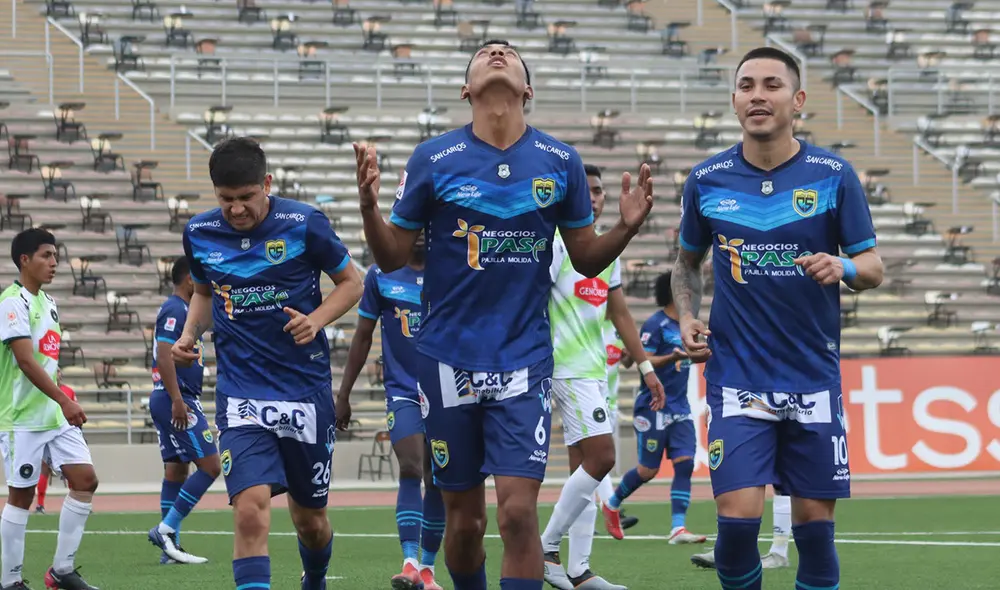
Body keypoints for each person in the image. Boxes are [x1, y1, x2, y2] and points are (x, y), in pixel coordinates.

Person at [354, 39, 653, 590]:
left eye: (509, 53)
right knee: (465, 524)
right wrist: (370, 207)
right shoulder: (433, 158)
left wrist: (626, 227)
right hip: (446, 362)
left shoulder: (560, 161)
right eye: (485, 53)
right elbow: (392, 255)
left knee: (517, 515)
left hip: (524, 362)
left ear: (527, 89)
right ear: (465, 89)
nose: (497, 53)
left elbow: (586, 258)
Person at [672, 46, 883, 590]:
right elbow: (686, 263)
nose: (758, 96)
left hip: (813, 379)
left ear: (798, 99)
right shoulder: (708, 178)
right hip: (738, 379)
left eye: (772, 85)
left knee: (815, 533)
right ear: (734, 100)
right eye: (746, 86)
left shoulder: (833, 175)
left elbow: (873, 267)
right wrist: (688, 316)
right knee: (736, 526)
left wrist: (842, 265)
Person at [174, 137, 364, 590]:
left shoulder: (304, 223)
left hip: (304, 391)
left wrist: (316, 320)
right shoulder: (199, 232)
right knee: (250, 511)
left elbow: (352, 283)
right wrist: (189, 334)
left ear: (268, 184)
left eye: (246, 197)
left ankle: (314, 578)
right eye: (226, 199)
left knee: (310, 521)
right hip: (241, 394)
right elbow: (204, 294)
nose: (236, 209)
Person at [541, 164, 663, 590]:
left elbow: (621, 313)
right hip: (567, 368)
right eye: (587, 190)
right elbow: (534, 299)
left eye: (598, 191)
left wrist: (646, 367)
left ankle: (579, 570)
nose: (594, 198)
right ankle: (546, 548)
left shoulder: (608, 250)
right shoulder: (557, 244)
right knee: (603, 458)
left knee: (585, 469)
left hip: (595, 370)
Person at [334, 233, 445, 590]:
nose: (421, 233)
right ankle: (409, 562)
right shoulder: (380, 275)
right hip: (403, 391)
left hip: (446, 391)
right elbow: (363, 335)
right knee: (411, 467)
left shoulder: (450, 270)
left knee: (437, 479)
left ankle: (427, 570)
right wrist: (344, 394)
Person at [0, 227, 99, 590]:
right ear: (24, 260)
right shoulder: (12, 302)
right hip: (22, 419)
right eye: (46, 255)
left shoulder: (49, 302)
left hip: (53, 416)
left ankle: (61, 571)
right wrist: (65, 399)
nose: (54, 262)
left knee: (85, 479)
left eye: (56, 255)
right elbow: (25, 361)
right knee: (21, 497)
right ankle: (9, 581)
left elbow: (46, 359)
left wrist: (60, 394)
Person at [601, 272, 706, 545]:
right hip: (653, 406)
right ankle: (612, 503)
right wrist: (671, 357)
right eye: (687, 290)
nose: (692, 296)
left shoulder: (688, 326)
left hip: (680, 406)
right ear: (675, 294)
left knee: (685, 463)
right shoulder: (655, 324)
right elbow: (643, 360)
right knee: (648, 471)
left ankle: (678, 528)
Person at [147, 256, 222, 565]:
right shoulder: (176, 309)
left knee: (177, 470)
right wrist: (177, 399)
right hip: (176, 398)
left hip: (172, 397)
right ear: (190, 278)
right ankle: (166, 529)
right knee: (211, 466)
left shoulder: (186, 310)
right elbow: (165, 356)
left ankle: (170, 548)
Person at [593, 322, 638, 532]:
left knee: (596, 460)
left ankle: (583, 517)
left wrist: (629, 355)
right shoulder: (590, 322)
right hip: (591, 400)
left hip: (610, 402)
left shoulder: (617, 327)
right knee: (598, 459)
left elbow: (626, 363)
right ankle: (610, 510)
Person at [34, 370, 77, 516]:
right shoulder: (41, 390)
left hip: (64, 432)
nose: (58, 374)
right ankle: (40, 504)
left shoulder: (69, 391)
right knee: (44, 468)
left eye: (59, 371)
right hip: (46, 431)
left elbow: (74, 411)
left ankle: (75, 503)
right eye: (56, 371)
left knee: (72, 468)